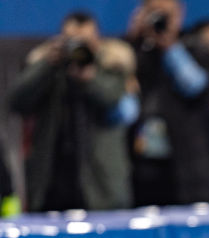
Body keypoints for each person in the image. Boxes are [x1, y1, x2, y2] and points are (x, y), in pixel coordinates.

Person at [7, 10, 135, 211]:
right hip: (52, 182)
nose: (78, 49)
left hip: (99, 184)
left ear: (97, 40)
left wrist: (88, 78)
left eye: (84, 42)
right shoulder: (50, 68)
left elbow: (112, 99)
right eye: (73, 42)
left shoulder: (112, 64)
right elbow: (16, 101)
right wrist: (47, 64)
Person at [127, 0, 209, 206]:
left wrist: (170, 47)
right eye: (154, 13)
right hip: (145, 169)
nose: (160, 20)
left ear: (179, 15)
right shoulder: (137, 50)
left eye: (166, 14)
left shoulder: (194, 47)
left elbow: (198, 88)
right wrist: (132, 42)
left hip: (189, 169)